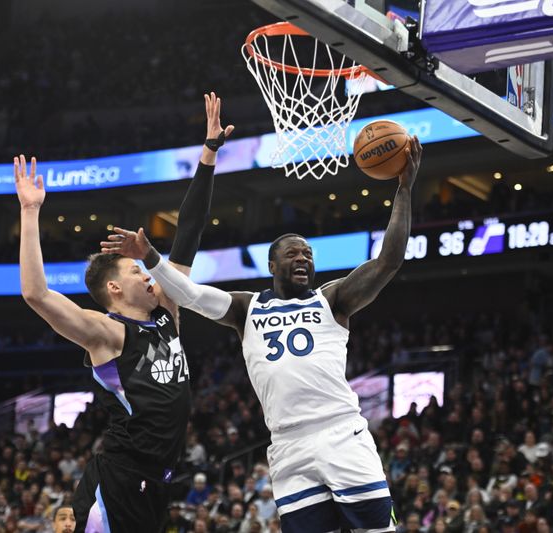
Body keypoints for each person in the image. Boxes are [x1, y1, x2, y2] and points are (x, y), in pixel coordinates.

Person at [102, 137, 423, 532]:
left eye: (308, 253)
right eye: (293, 253)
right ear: (273, 264)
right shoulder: (246, 307)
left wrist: (404, 189)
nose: (303, 258)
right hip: (288, 445)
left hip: (341, 432)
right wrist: (151, 257)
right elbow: (190, 294)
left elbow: (389, 260)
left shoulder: (333, 298)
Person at [15, 92, 233, 533]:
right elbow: (36, 294)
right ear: (114, 287)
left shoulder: (168, 309)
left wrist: (208, 153)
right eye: (138, 270)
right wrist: (30, 212)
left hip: (156, 481)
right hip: (117, 480)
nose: (151, 276)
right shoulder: (107, 333)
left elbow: (188, 232)